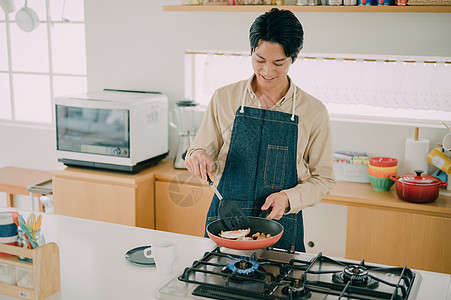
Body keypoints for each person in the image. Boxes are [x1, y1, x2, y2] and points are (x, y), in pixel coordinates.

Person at [185, 8, 335, 252]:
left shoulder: (313, 111)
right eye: (260, 60)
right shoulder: (224, 98)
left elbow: (324, 178)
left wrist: (289, 199)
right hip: (225, 221)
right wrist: (197, 157)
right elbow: (197, 150)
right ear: (251, 51)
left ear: (295, 56)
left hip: (279, 225)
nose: (267, 71)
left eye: (278, 63)